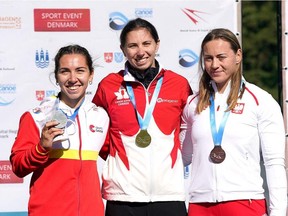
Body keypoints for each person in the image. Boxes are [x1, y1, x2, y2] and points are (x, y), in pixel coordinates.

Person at [180, 28, 287, 216]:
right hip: (200, 205)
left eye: (221, 57)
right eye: (208, 58)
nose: (215, 65)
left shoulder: (260, 100)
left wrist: (278, 212)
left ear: (238, 56)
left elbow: (274, 162)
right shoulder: (192, 104)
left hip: (245, 203)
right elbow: (183, 158)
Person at [93, 18, 192, 216]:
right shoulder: (109, 85)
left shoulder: (179, 84)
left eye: (146, 43)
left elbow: (188, 129)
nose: (140, 52)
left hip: (169, 196)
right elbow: (98, 133)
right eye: (132, 46)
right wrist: (117, 160)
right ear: (122, 49)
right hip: (122, 197)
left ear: (157, 44)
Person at [10, 44, 109, 216]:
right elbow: (18, 166)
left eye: (80, 70)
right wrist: (41, 148)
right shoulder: (37, 117)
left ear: (91, 75)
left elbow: (119, 156)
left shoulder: (101, 116)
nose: (72, 78)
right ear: (56, 77)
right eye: (64, 71)